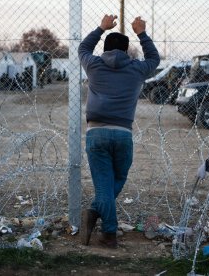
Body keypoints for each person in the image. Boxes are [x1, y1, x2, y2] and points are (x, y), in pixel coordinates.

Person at [78, 14, 160, 248]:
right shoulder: (136, 69)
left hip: (96, 134)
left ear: (104, 48)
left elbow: (83, 48)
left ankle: (96, 213)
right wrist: (141, 33)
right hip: (123, 134)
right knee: (118, 178)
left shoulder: (93, 65)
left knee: (103, 185)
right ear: (126, 51)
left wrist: (100, 28)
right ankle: (109, 233)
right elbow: (154, 58)